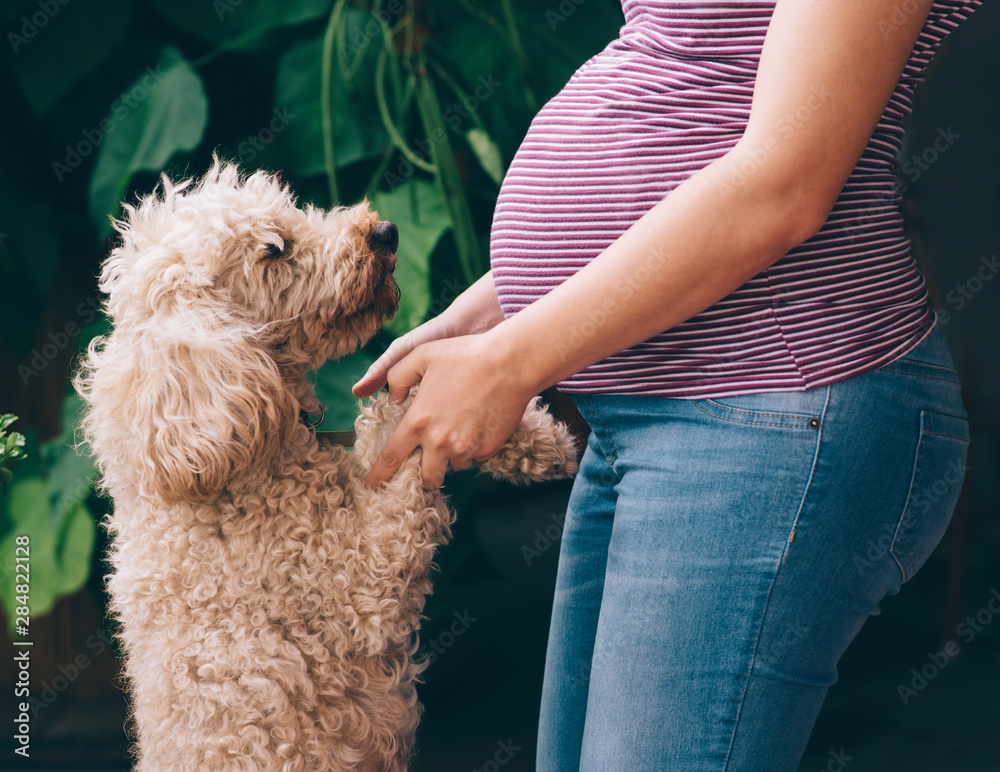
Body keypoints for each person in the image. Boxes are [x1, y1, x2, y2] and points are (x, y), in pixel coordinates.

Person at [351, 1, 983, 769]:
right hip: (658, 418)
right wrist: (498, 306)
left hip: (775, 402)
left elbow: (785, 184)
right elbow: (694, 94)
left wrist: (514, 360)